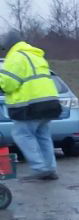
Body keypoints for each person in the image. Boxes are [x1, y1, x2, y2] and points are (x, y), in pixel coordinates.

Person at [0, 37, 62, 180]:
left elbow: (8, 84)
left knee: (22, 134)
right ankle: (50, 169)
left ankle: (40, 169)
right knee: (43, 136)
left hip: (30, 105)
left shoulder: (16, 58)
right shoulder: (35, 56)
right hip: (49, 103)